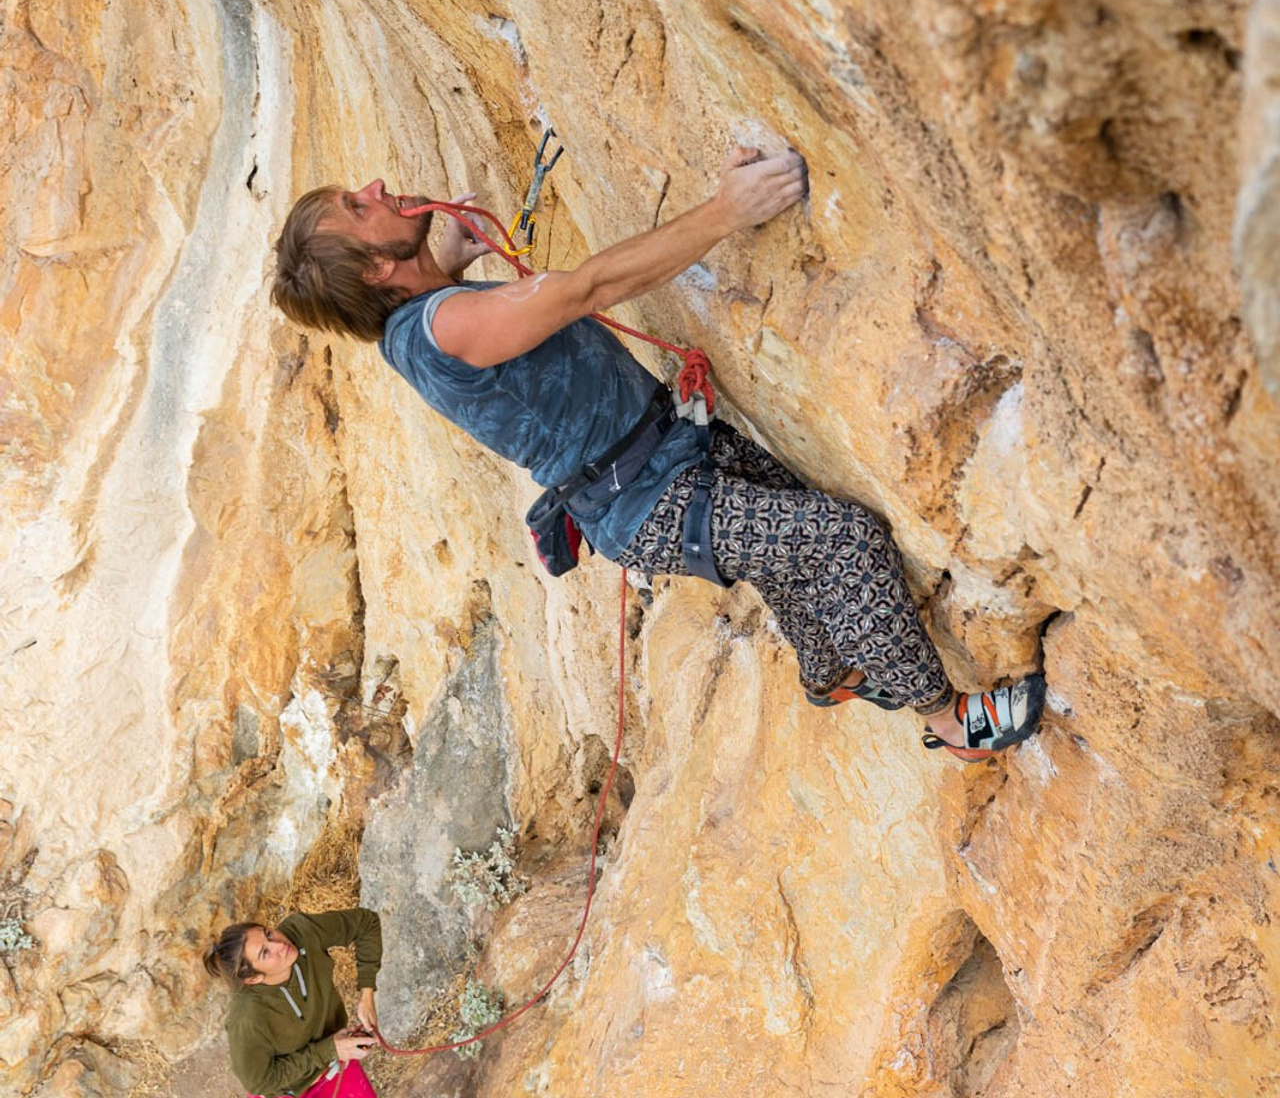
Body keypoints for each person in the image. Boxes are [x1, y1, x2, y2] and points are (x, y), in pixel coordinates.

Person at [270, 146, 1045, 761]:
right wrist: (725, 211)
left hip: (661, 455)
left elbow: (451, 311)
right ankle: (949, 721)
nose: (374, 187)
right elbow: (582, 290)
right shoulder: (439, 330)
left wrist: (445, 259)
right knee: (842, 541)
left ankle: (830, 672)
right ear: (376, 268)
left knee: (783, 539)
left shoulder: (419, 321)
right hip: (650, 500)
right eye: (358, 207)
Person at [203, 909, 382, 1098]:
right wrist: (329, 1050)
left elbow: (367, 923)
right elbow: (260, 1082)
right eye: (265, 952)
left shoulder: (302, 931)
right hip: (290, 1091)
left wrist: (367, 994)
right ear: (254, 978)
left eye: (268, 934)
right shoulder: (246, 1018)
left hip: (335, 1065)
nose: (280, 944)